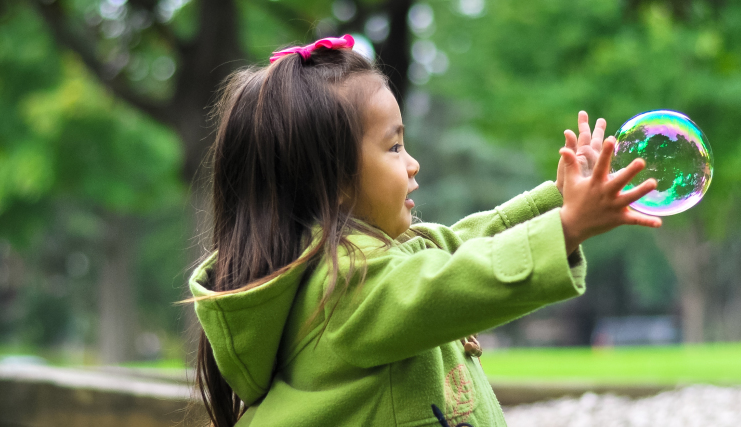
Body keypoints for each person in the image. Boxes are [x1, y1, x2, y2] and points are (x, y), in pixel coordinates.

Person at [186, 34, 662, 427]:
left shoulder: (366, 263)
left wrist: (558, 199)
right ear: (330, 182)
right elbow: (452, 282)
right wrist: (568, 226)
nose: (413, 164)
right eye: (393, 148)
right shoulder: (345, 287)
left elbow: (462, 243)